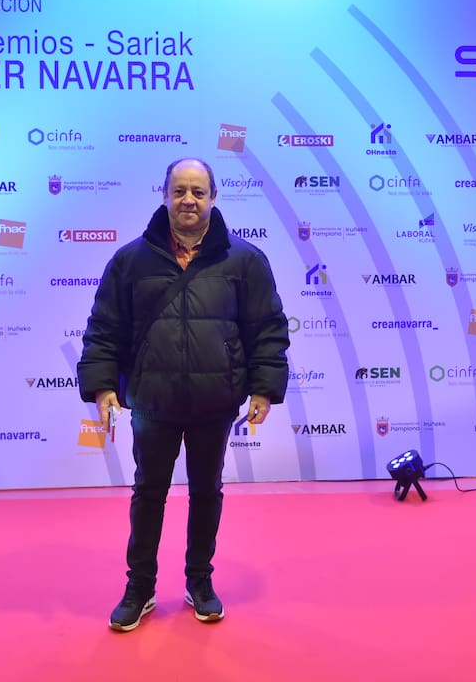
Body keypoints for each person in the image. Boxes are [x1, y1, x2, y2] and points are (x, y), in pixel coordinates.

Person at [78, 157, 290, 632]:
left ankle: (200, 581)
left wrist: (264, 387)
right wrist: (103, 385)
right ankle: (140, 587)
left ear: (213, 197)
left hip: (216, 399)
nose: (188, 200)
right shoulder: (130, 261)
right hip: (152, 400)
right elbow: (105, 328)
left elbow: (266, 328)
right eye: (179, 191)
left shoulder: (245, 260)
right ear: (164, 196)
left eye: (198, 191)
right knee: (148, 493)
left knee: (206, 492)